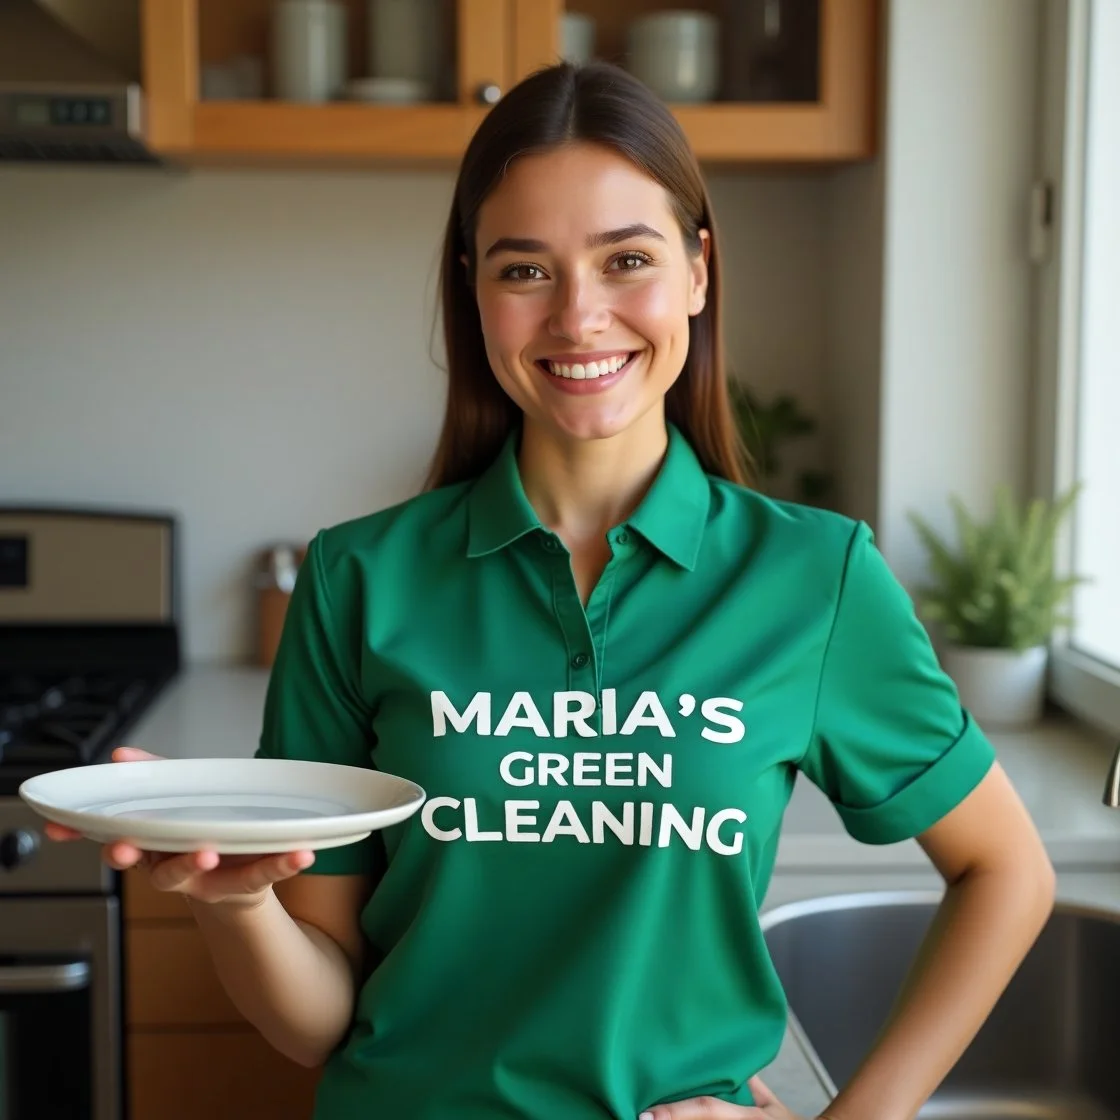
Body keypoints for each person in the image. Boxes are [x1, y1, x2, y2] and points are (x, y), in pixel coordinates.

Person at [50, 61, 1056, 1120]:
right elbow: (315, 1021)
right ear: (473, 287)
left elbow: (1005, 872)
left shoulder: (813, 579)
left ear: (699, 271)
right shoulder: (358, 579)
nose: (580, 318)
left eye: (626, 259)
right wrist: (239, 900)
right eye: (524, 270)